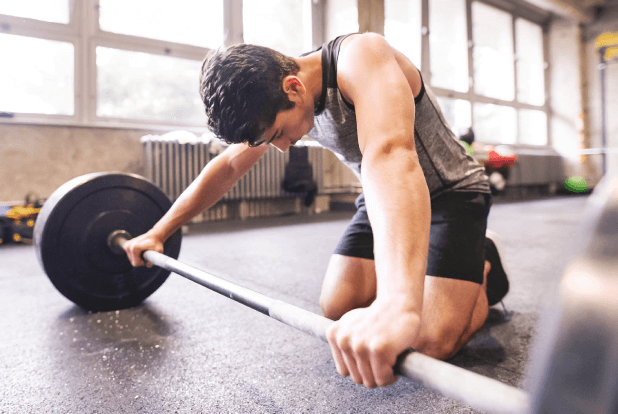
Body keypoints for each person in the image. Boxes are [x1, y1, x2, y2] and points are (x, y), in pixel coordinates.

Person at [124, 32, 510, 389]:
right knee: (339, 308)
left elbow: (390, 155)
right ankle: (435, 272)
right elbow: (227, 167)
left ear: (294, 86)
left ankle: (482, 262)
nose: (280, 147)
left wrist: (398, 306)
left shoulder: (362, 58)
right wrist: (160, 230)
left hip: (451, 192)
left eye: (276, 135)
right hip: (383, 198)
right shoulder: (278, 97)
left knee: (427, 341)